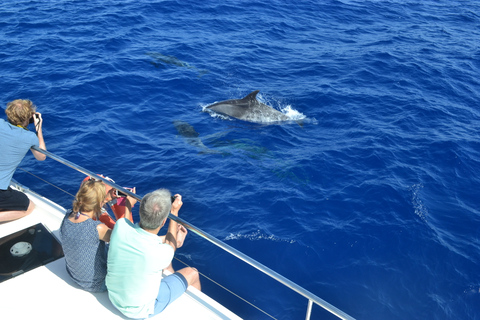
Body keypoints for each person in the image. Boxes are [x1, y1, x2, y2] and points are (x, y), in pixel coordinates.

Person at [106, 189, 201, 319]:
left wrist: (128, 205)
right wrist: (174, 212)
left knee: (166, 262)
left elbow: (169, 245)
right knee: (193, 273)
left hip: (114, 298)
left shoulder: (120, 227)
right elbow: (171, 245)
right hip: (139, 312)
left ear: (140, 212)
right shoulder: (159, 252)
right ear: (163, 222)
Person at [60, 179, 137, 292]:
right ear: (100, 203)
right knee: (128, 251)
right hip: (96, 283)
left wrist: (106, 198)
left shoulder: (68, 215)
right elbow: (124, 237)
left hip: (74, 275)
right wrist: (128, 207)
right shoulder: (97, 228)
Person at [0, 99, 46, 223]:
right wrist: (38, 130)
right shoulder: (30, 137)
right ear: (28, 118)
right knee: (29, 207)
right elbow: (41, 157)